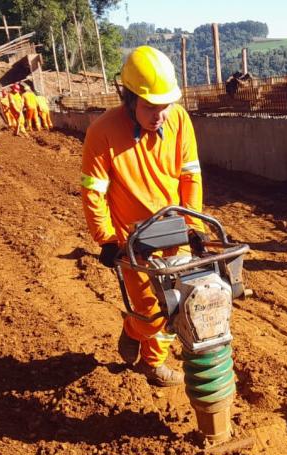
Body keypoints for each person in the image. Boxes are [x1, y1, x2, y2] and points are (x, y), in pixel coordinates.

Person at [80, 45, 205, 387]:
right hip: (132, 239)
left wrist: (194, 224)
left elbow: (190, 175)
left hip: (175, 229)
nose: (160, 115)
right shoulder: (102, 132)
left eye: (166, 106)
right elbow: (93, 191)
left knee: (178, 303)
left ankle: (153, 363)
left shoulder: (179, 120)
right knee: (151, 312)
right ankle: (135, 327)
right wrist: (106, 239)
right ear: (129, 98)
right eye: (151, 107)